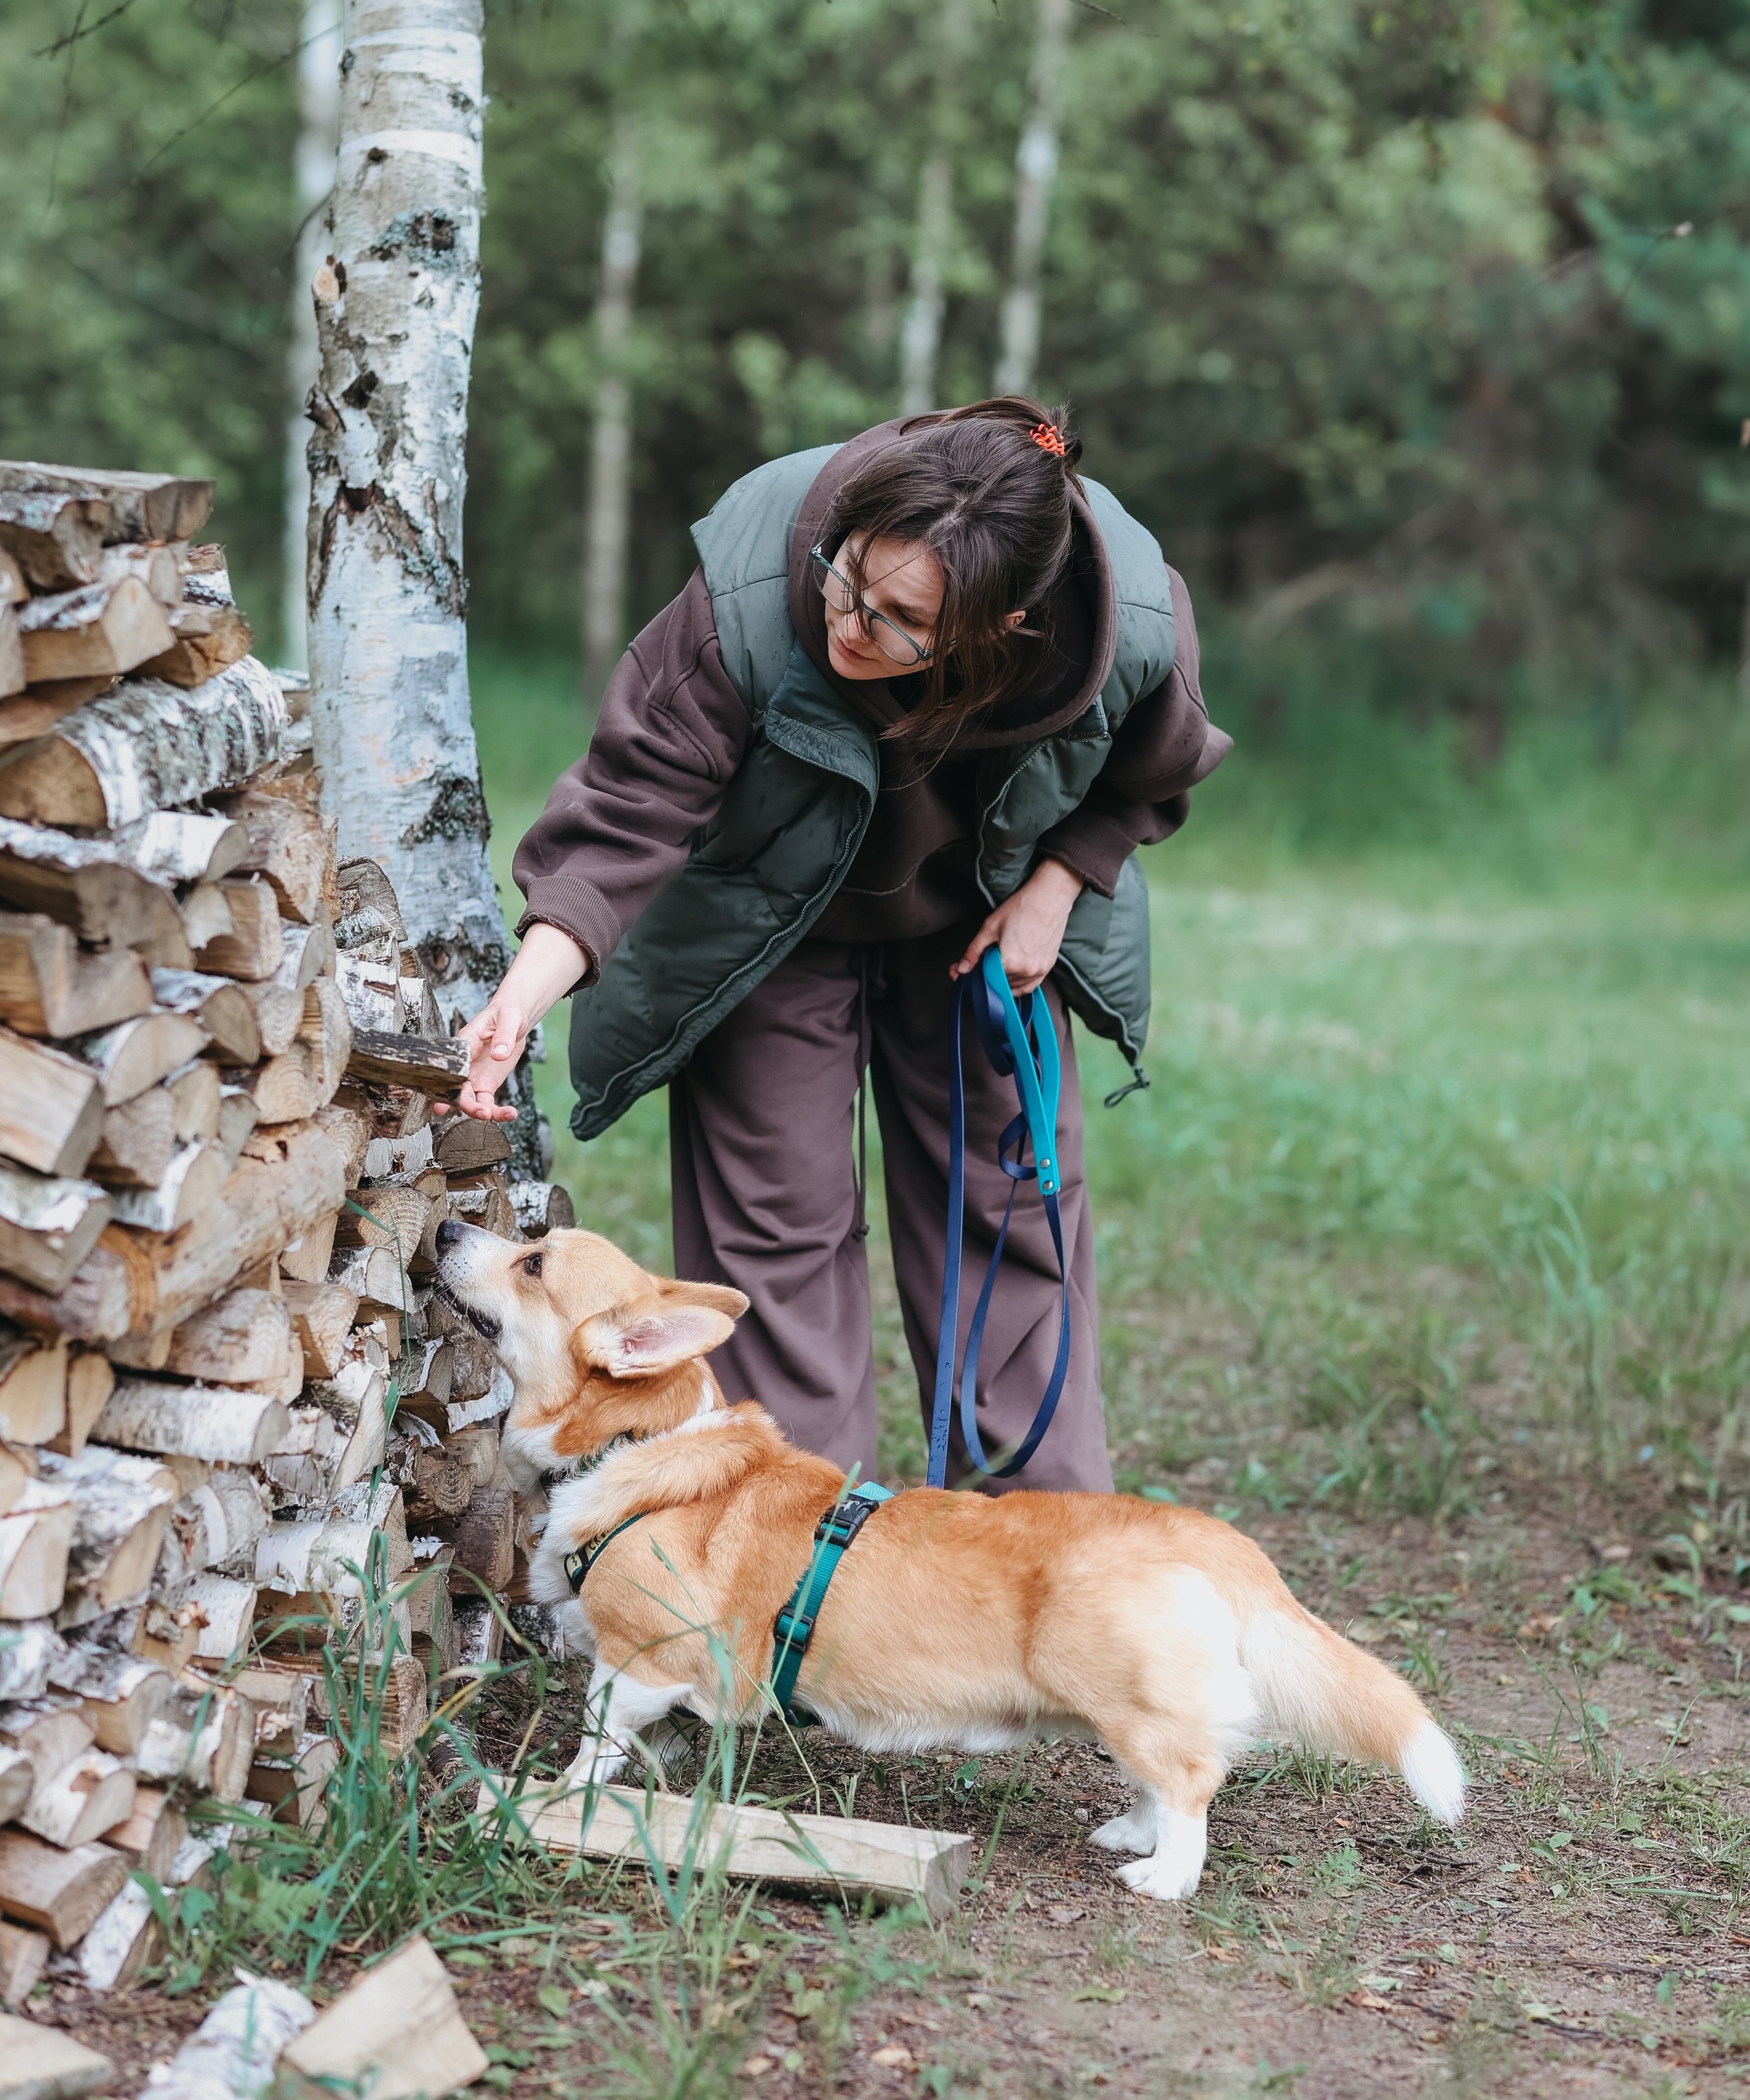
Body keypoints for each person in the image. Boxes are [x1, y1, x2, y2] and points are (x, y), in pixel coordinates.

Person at [455, 398, 1230, 1491]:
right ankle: (801, 1575)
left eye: (898, 618)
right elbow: (630, 804)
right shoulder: (753, 588)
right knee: (771, 1238)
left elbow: (1155, 768)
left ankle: (1042, 1562)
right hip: (771, 926)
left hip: (983, 927)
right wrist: (522, 995)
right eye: (846, 577)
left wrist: (1062, 881)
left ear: (999, 632)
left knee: (1010, 1225)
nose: (849, 623)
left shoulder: (1130, 617)